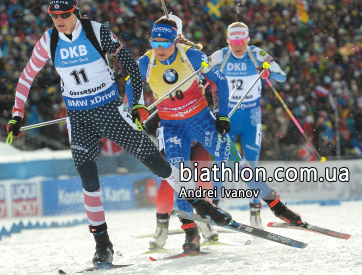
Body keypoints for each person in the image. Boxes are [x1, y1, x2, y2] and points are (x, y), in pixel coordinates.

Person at [6, 0, 232, 264]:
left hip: (110, 111)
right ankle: (103, 244)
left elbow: (131, 66)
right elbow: (26, 76)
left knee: (158, 164)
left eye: (64, 14)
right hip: (79, 118)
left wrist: (136, 103)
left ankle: (200, 205)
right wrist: (17, 114)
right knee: (88, 180)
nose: (58, 20)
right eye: (53, 15)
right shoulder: (48, 40)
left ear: (75, 11)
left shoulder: (96, 31)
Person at [126, 16, 304, 251]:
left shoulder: (191, 56)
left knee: (236, 164)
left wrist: (221, 114)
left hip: (201, 121)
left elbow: (219, 82)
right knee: (180, 178)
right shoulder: (146, 61)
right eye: (154, 43)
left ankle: (278, 207)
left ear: (175, 40)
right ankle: (191, 234)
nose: (159, 49)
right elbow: (131, 85)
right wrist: (136, 107)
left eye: (164, 43)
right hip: (172, 127)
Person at [209, 21, 288, 231]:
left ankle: (255, 213)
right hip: (228, 116)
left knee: (251, 167)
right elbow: (199, 71)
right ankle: (214, 210)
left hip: (251, 118)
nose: (238, 45)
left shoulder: (256, 54)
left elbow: (282, 75)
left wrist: (269, 70)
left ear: (247, 39)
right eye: (234, 40)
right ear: (228, 40)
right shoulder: (221, 56)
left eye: (241, 40)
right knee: (219, 164)